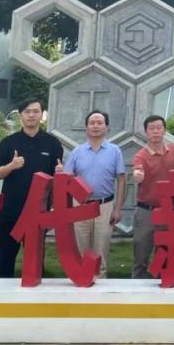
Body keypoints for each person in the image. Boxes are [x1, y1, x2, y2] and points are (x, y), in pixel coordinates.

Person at [0, 98, 63, 278]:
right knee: (6, 256)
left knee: (35, 258)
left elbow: (56, 178)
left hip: (39, 210)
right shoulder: (8, 143)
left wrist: (59, 174)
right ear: (20, 115)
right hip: (11, 209)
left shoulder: (52, 144)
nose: (31, 115)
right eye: (27, 112)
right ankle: (3, 290)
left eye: (36, 111)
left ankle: (35, 291)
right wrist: (11, 166)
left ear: (42, 115)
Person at [63, 109, 126, 279]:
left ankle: (101, 284)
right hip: (80, 206)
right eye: (92, 123)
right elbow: (67, 179)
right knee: (81, 248)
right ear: (86, 127)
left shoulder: (115, 151)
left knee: (101, 250)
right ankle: (81, 281)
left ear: (107, 127)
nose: (95, 126)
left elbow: (121, 180)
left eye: (99, 123)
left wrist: (117, 209)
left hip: (104, 206)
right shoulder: (77, 152)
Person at [131, 114, 174, 278]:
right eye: (151, 128)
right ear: (146, 132)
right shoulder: (140, 156)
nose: (155, 131)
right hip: (146, 211)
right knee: (141, 255)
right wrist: (137, 176)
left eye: (159, 128)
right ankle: (136, 287)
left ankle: (164, 286)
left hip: (169, 211)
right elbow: (137, 171)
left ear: (164, 130)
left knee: (166, 254)